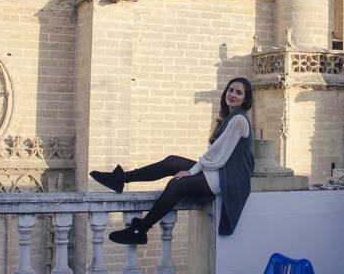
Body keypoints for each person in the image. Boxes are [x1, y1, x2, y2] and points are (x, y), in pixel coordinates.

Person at [90, 77, 255, 244]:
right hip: (221, 171)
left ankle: (140, 229)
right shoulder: (232, 117)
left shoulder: (239, 120)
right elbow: (217, 155)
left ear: (245, 99)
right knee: (171, 161)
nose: (232, 94)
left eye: (239, 93)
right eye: (230, 90)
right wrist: (194, 170)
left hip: (229, 179)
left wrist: (191, 172)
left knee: (177, 183)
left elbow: (217, 153)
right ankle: (120, 179)